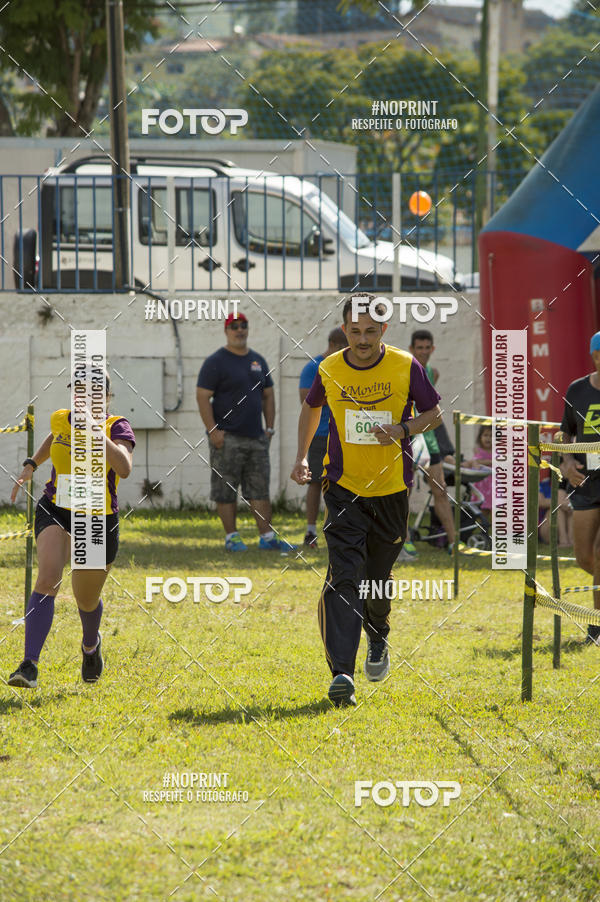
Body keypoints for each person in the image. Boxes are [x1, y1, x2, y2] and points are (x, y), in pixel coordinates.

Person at [291, 293, 442, 707]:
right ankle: (341, 672)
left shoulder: (405, 365)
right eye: (354, 331)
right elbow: (311, 408)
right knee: (344, 576)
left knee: (376, 578)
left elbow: (435, 413)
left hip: (392, 491)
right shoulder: (330, 367)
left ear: (384, 331)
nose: (361, 339)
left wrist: (403, 429)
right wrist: (303, 456)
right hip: (343, 488)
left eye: (369, 332)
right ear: (344, 330)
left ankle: (378, 636)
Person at [7, 372, 135, 688]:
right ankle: (28, 665)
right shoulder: (63, 419)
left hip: (96, 519)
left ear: (105, 396)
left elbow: (124, 468)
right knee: (48, 577)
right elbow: (54, 436)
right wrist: (31, 464)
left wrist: (95, 433)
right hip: (56, 507)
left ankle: (90, 645)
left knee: (85, 598)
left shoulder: (116, 426)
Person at [197, 312, 293, 552]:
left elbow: (269, 395)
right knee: (225, 489)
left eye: (243, 326)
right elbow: (202, 396)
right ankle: (232, 537)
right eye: (234, 326)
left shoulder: (258, 361)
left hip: (257, 438)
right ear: (226, 331)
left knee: (260, 488)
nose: (239, 330)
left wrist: (269, 429)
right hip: (226, 439)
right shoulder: (215, 361)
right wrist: (213, 431)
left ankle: (267, 537)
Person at [560, 330, 600, 644]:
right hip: (586, 481)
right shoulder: (577, 389)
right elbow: (565, 434)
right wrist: (567, 462)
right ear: (595, 356)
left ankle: (597, 629)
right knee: (584, 558)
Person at [298, 327, 347, 548]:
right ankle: (310, 532)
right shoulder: (313, 367)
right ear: (335, 345)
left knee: (341, 484)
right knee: (316, 482)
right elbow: (307, 400)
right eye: (346, 347)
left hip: (343, 435)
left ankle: (340, 530)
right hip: (320, 434)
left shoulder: (345, 366)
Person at [408, 330, 456, 551]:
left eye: (427, 347)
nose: (424, 352)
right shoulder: (405, 370)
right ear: (412, 349)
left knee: (441, 490)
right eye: (420, 348)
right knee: (403, 493)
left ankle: (455, 543)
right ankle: (403, 543)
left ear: (433, 349)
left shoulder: (432, 373)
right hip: (410, 439)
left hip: (431, 441)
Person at [466, 425, 493, 525]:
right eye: (485, 435)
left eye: (491, 436)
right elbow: (476, 462)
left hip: (495, 485)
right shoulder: (478, 450)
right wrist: (490, 461)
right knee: (484, 509)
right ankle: (483, 528)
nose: (488, 438)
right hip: (483, 485)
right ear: (480, 437)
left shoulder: (497, 450)